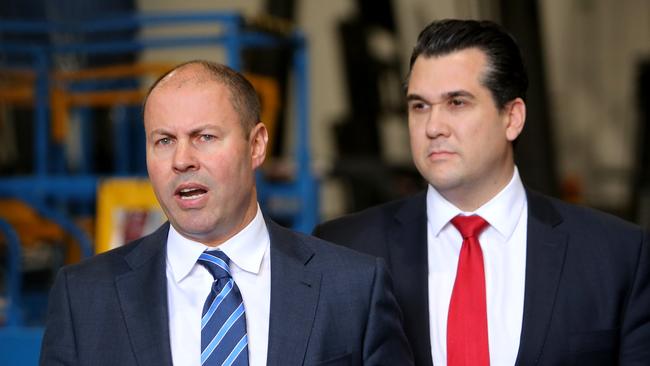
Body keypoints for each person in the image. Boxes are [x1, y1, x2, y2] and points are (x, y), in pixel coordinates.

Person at [314, 19, 650, 365]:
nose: (433, 127)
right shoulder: (345, 249)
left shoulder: (615, 256)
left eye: (457, 103)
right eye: (419, 106)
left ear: (512, 117)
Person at [40, 60, 413, 366]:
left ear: (256, 146)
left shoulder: (353, 288)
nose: (182, 160)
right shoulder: (85, 298)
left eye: (205, 137)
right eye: (164, 141)